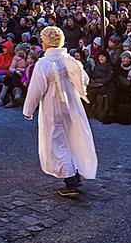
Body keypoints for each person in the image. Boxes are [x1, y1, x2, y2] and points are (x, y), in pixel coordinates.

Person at [22, 26, 97, 197]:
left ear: (47, 43)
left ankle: (70, 180)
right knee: (71, 140)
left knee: (58, 143)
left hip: (53, 107)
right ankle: (75, 174)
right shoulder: (70, 60)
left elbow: (36, 89)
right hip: (71, 105)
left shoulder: (44, 64)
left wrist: (28, 110)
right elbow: (84, 79)